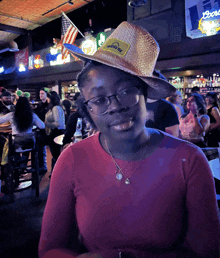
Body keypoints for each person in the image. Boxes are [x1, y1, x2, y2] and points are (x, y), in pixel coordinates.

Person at [39, 22, 220, 258]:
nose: (115, 107)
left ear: (145, 96)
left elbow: (208, 252)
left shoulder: (189, 160)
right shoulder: (72, 159)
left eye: (126, 92)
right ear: (88, 108)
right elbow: (50, 249)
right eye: (99, 99)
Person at [0, 96, 45, 169]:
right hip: (29, 143)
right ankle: (23, 165)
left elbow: (0, 120)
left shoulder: (12, 115)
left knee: (14, 147)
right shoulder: (32, 115)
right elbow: (42, 126)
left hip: (16, 144)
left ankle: (17, 165)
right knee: (26, 145)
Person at [145, 71, 179, 137]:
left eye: (154, 82)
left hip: (159, 146)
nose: (150, 84)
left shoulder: (167, 107)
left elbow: (173, 136)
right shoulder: (137, 104)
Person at [45, 91, 65, 171]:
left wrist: (45, 124)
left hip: (56, 133)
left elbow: (58, 123)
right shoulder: (54, 108)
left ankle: (58, 172)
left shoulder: (56, 108)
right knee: (55, 154)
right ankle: (56, 172)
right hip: (54, 132)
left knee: (56, 154)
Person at [34, 87, 50, 174]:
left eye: (42, 93)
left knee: (46, 149)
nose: (40, 95)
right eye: (40, 94)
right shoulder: (39, 105)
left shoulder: (49, 105)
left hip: (48, 128)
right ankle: (42, 166)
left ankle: (44, 166)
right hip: (40, 128)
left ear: (47, 94)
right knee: (40, 149)